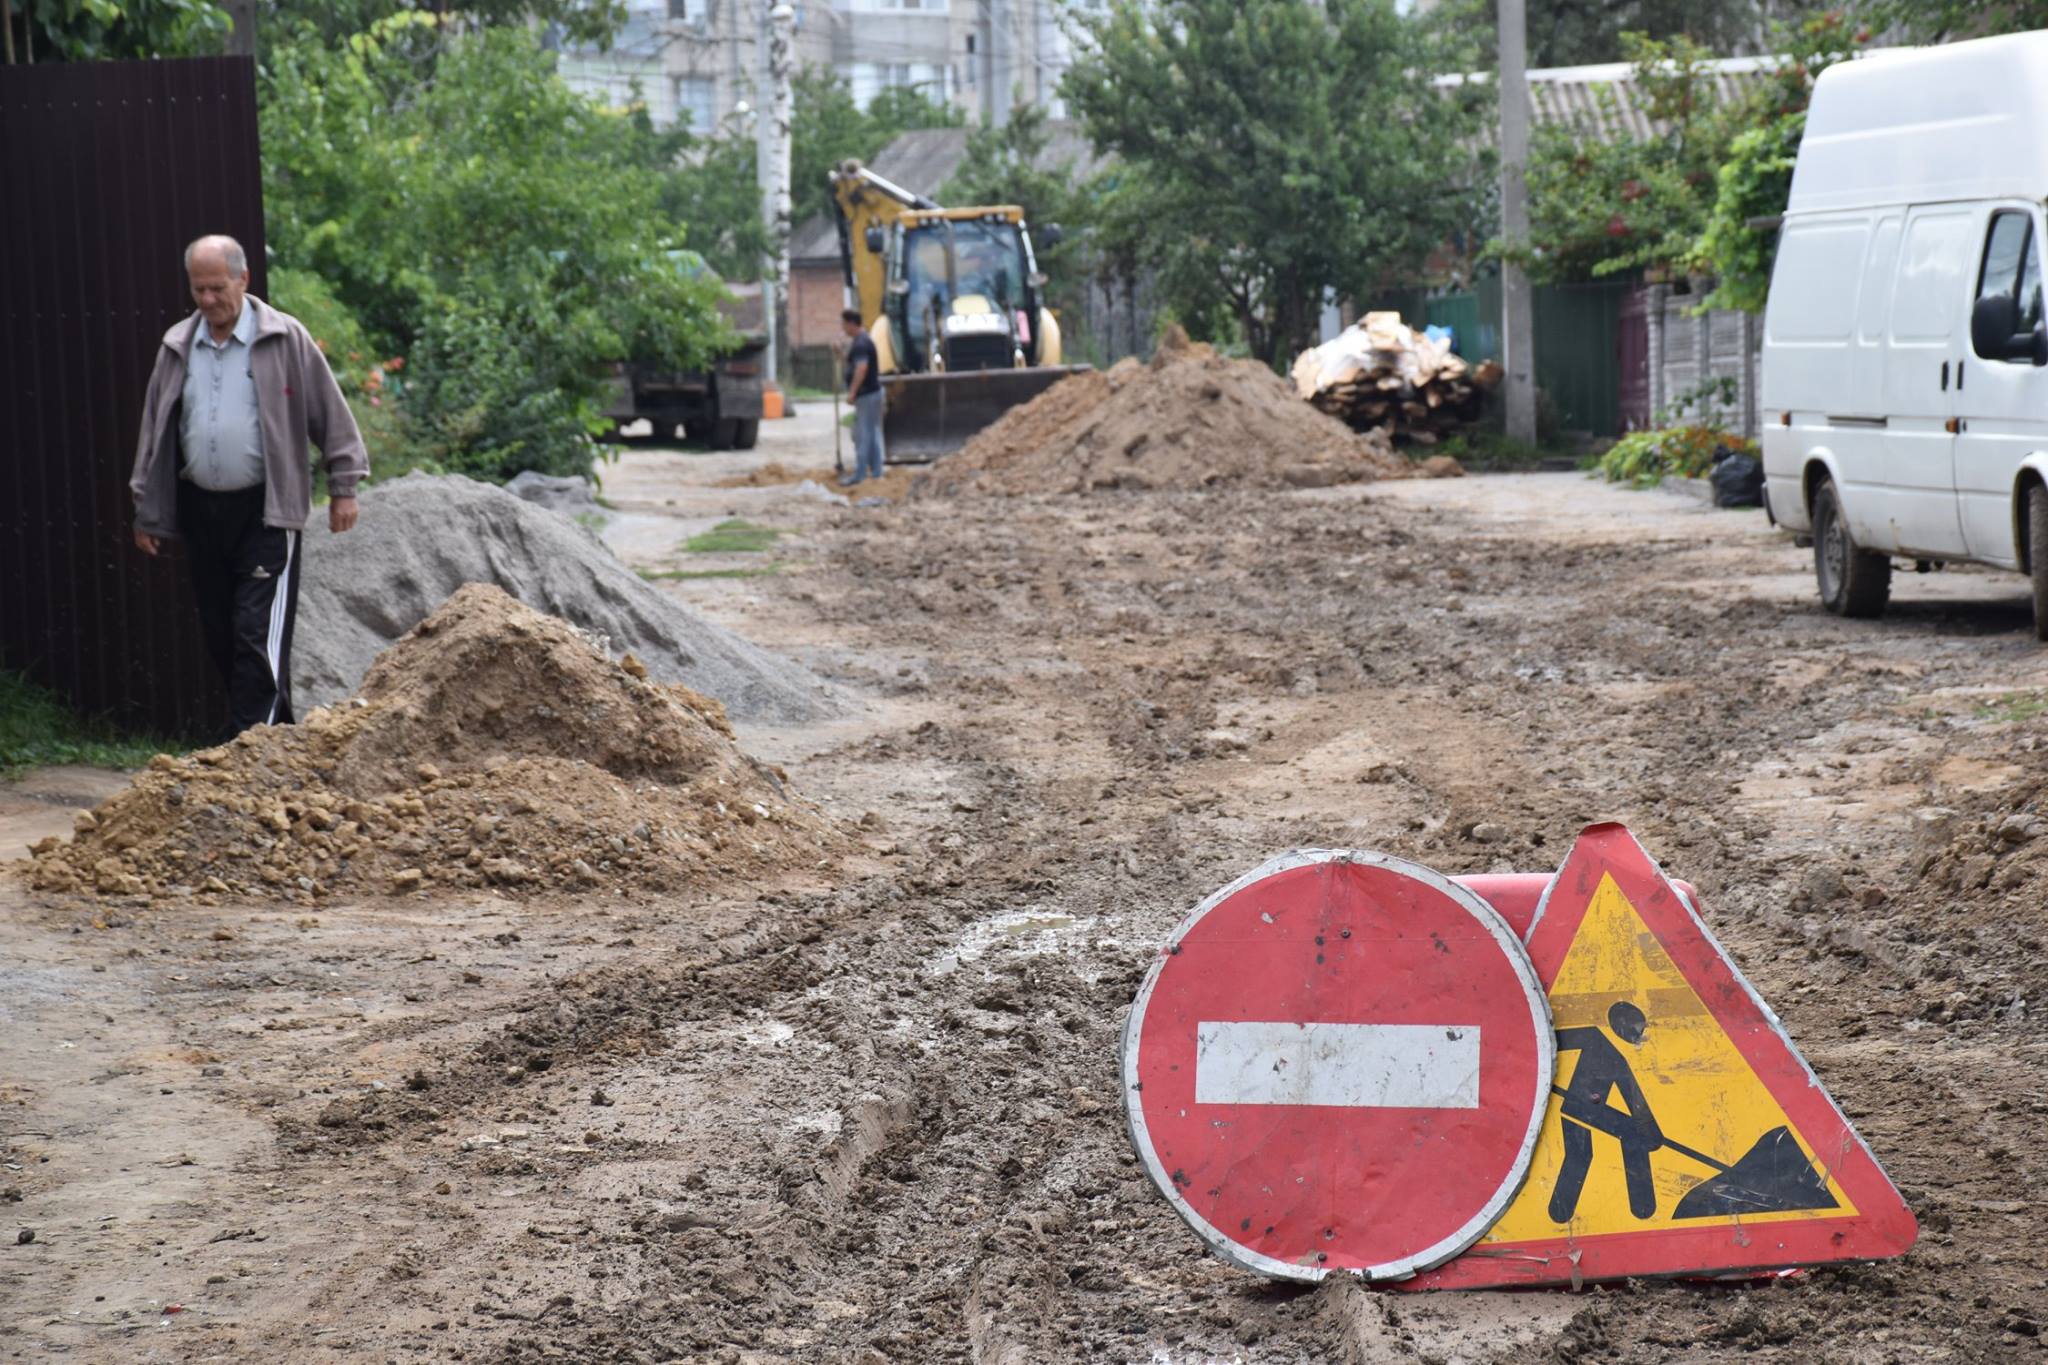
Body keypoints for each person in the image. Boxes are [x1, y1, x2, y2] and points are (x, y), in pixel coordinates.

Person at [129, 235, 368, 739]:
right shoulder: (178, 345)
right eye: (199, 290)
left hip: (265, 510)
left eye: (218, 287)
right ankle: (275, 737)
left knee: (255, 632)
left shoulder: (285, 339)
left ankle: (246, 748)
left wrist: (343, 486)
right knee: (220, 631)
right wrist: (147, 509)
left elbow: (332, 415)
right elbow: (155, 428)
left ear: (243, 279)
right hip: (200, 508)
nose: (209, 300)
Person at [1547, 1000, 1664, 1223]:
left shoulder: (1619, 1059)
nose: (1642, 1034)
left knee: (1580, 1155)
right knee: (1631, 1133)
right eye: (1639, 1028)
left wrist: (1652, 1131)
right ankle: (1642, 1206)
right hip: (1579, 1106)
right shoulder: (1593, 1037)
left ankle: (1560, 1213)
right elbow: (1548, 1040)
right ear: (1623, 1025)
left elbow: (1634, 1098)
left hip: (1582, 1109)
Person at [841, 307, 884, 485]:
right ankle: (876, 472)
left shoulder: (861, 343)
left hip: (866, 394)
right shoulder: (863, 341)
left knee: (863, 434)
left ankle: (860, 474)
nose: (843, 328)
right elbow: (854, 363)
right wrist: (840, 354)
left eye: (844, 324)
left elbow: (861, 368)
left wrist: (852, 391)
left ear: (851, 324)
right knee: (872, 432)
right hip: (873, 393)